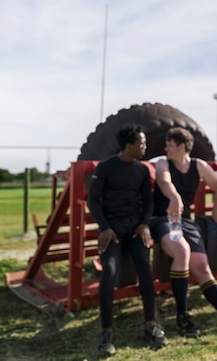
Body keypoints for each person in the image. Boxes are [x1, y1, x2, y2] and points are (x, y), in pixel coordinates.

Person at [150, 127, 217, 338]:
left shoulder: (199, 165)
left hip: (185, 221)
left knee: (202, 267)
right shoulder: (163, 163)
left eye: (169, 144)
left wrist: (215, 213)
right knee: (181, 251)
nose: (165, 148)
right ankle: (183, 317)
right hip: (163, 218)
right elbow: (164, 180)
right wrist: (174, 197)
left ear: (181, 146)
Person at [87, 123, 167, 357]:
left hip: (134, 230)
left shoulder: (141, 170)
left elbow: (148, 201)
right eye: (141, 143)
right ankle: (106, 332)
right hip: (111, 231)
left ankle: (150, 324)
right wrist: (104, 227)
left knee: (145, 270)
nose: (145, 146)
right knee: (109, 272)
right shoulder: (106, 167)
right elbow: (93, 200)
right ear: (129, 145)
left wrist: (144, 224)